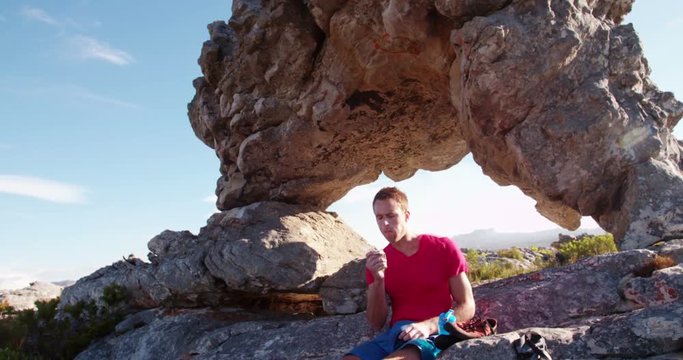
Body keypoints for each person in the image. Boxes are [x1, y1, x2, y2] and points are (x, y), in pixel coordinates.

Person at [343, 187, 475, 360]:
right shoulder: (378, 262)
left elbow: (467, 305)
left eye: (391, 215)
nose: (385, 224)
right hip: (398, 334)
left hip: (435, 332)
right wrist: (378, 280)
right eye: (379, 217)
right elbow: (376, 322)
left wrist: (429, 325)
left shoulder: (443, 247)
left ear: (406, 215)